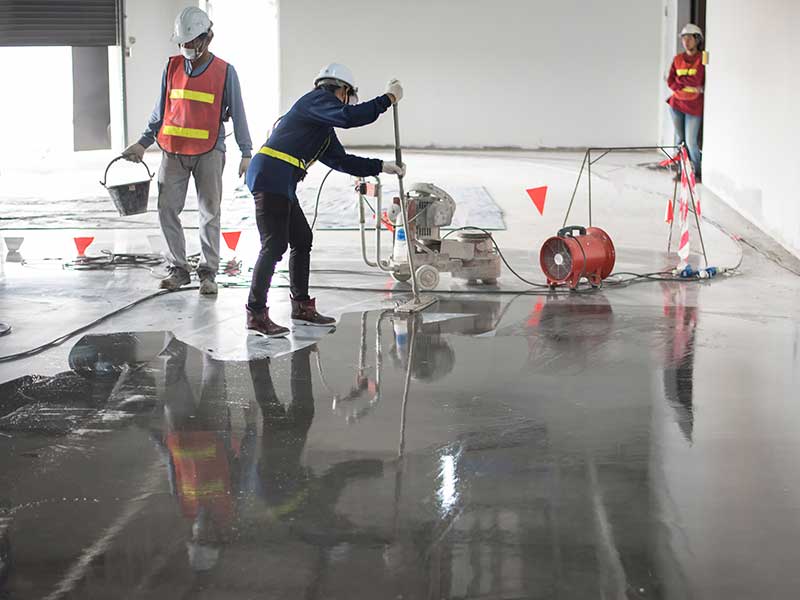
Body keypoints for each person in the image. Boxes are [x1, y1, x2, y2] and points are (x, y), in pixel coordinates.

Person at [244, 63, 406, 337]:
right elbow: (350, 117)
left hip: (280, 180)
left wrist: (381, 166)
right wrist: (388, 99)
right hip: (271, 175)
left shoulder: (321, 126)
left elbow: (341, 161)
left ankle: (301, 306)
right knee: (274, 245)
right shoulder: (317, 100)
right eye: (346, 96)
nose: (344, 102)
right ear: (341, 90)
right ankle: (256, 313)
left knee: (302, 240)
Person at [122, 7, 253, 295]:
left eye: (192, 42)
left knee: (209, 212)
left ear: (207, 39)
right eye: (183, 43)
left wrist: (246, 152)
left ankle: (208, 273)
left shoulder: (224, 71)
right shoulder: (171, 67)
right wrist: (143, 144)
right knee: (167, 209)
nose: (187, 48)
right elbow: (160, 111)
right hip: (173, 150)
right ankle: (178, 269)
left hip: (209, 150)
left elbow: (239, 113)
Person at [667, 24, 705, 180]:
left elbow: (697, 79)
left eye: (689, 38)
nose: (686, 41)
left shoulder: (703, 58)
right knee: (679, 140)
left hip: (694, 106)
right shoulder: (677, 59)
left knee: (691, 141)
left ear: (697, 39)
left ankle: (696, 172)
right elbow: (670, 82)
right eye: (684, 38)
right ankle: (682, 171)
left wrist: (680, 81)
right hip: (676, 105)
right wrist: (686, 83)